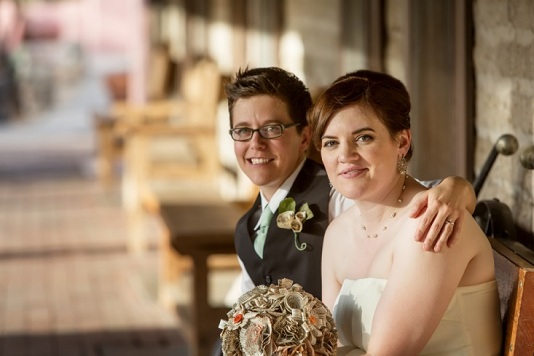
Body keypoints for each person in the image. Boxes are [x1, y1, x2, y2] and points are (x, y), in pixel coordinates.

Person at [226, 66, 476, 300]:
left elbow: (420, 196)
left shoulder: (340, 190)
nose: (256, 143)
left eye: (271, 129)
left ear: (304, 137)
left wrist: (457, 187)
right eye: (242, 131)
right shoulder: (244, 228)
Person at [308, 70, 502, 355]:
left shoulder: (431, 221)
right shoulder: (338, 232)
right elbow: (331, 344)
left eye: (363, 138)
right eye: (331, 142)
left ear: (402, 142)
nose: (345, 155)